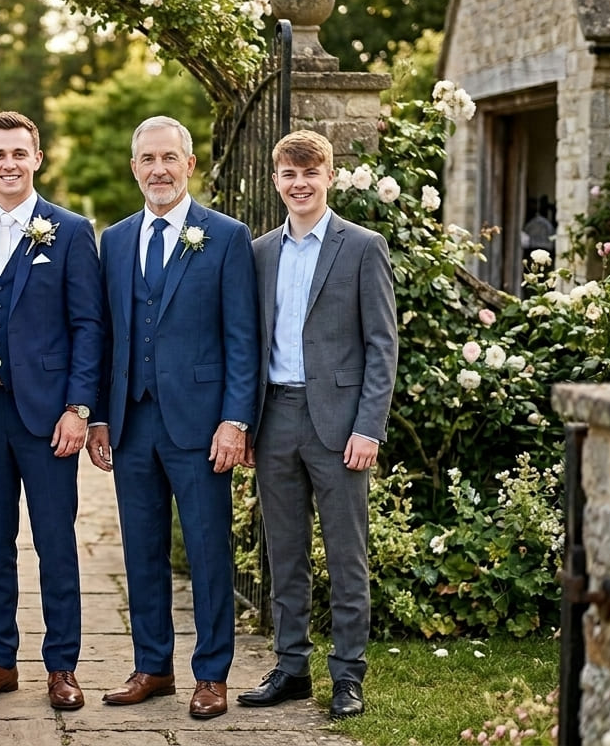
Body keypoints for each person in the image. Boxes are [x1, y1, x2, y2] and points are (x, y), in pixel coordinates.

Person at [85, 115, 258, 720]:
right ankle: (152, 666)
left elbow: (243, 339)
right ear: (134, 168)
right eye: (146, 159)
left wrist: (236, 420)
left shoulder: (227, 236)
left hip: (202, 423)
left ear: (189, 165)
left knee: (210, 552)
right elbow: (108, 336)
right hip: (133, 422)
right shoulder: (116, 239)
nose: (158, 169)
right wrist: (102, 417)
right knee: (141, 550)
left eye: (168, 158)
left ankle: (211, 675)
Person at [239, 129, 397, 719]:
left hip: (339, 423)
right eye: (289, 174)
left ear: (329, 176)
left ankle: (349, 675)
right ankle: (291, 666)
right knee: (284, 553)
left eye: (310, 173)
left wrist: (369, 426)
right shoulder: (258, 254)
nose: (299, 184)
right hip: (275, 415)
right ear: (278, 180)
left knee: (346, 553)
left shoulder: (361, 246)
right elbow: (248, 343)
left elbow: (382, 345)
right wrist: (247, 424)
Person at [0, 111, 103, 711]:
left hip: (49, 417)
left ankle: (62, 666)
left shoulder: (68, 230)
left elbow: (88, 325)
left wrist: (79, 407)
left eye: (20, 153)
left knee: (56, 544)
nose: (9, 164)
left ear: (37, 159)